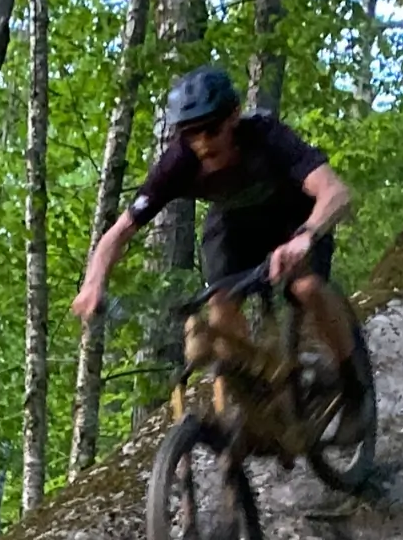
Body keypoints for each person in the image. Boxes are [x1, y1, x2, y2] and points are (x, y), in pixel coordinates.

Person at [70, 65, 357, 375]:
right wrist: (92, 284)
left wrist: (307, 236)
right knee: (219, 306)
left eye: (211, 129)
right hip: (235, 224)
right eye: (190, 133)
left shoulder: (267, 137)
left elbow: (336, 192)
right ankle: (256, 389)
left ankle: (354, 375)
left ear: (233, 116)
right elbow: (119, 232)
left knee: (306, 288)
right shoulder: (178, 163)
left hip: (296, 218)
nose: (203, 142)